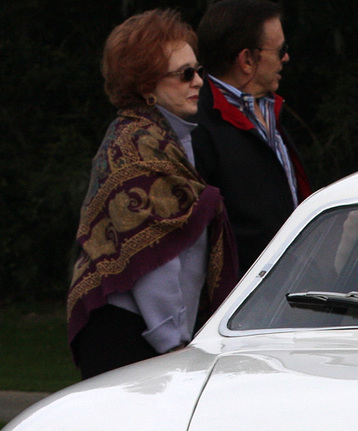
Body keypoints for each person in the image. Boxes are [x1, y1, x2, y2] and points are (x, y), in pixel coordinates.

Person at [66, 9, 238, 380]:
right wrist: (173, 343)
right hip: (133, 339)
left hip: (150, 335)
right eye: (184, 74)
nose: (198, 82)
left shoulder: (168, 140)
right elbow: (152, 255)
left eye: (198, 70)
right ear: (146, 86)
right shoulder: (138, 147)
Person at [192, 0, 310, 276]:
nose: (286, 58)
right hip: (244, 301)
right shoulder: (199, 125)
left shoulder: (269, 111)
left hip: (289, 286)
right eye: (280, 50)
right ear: (246, 60)